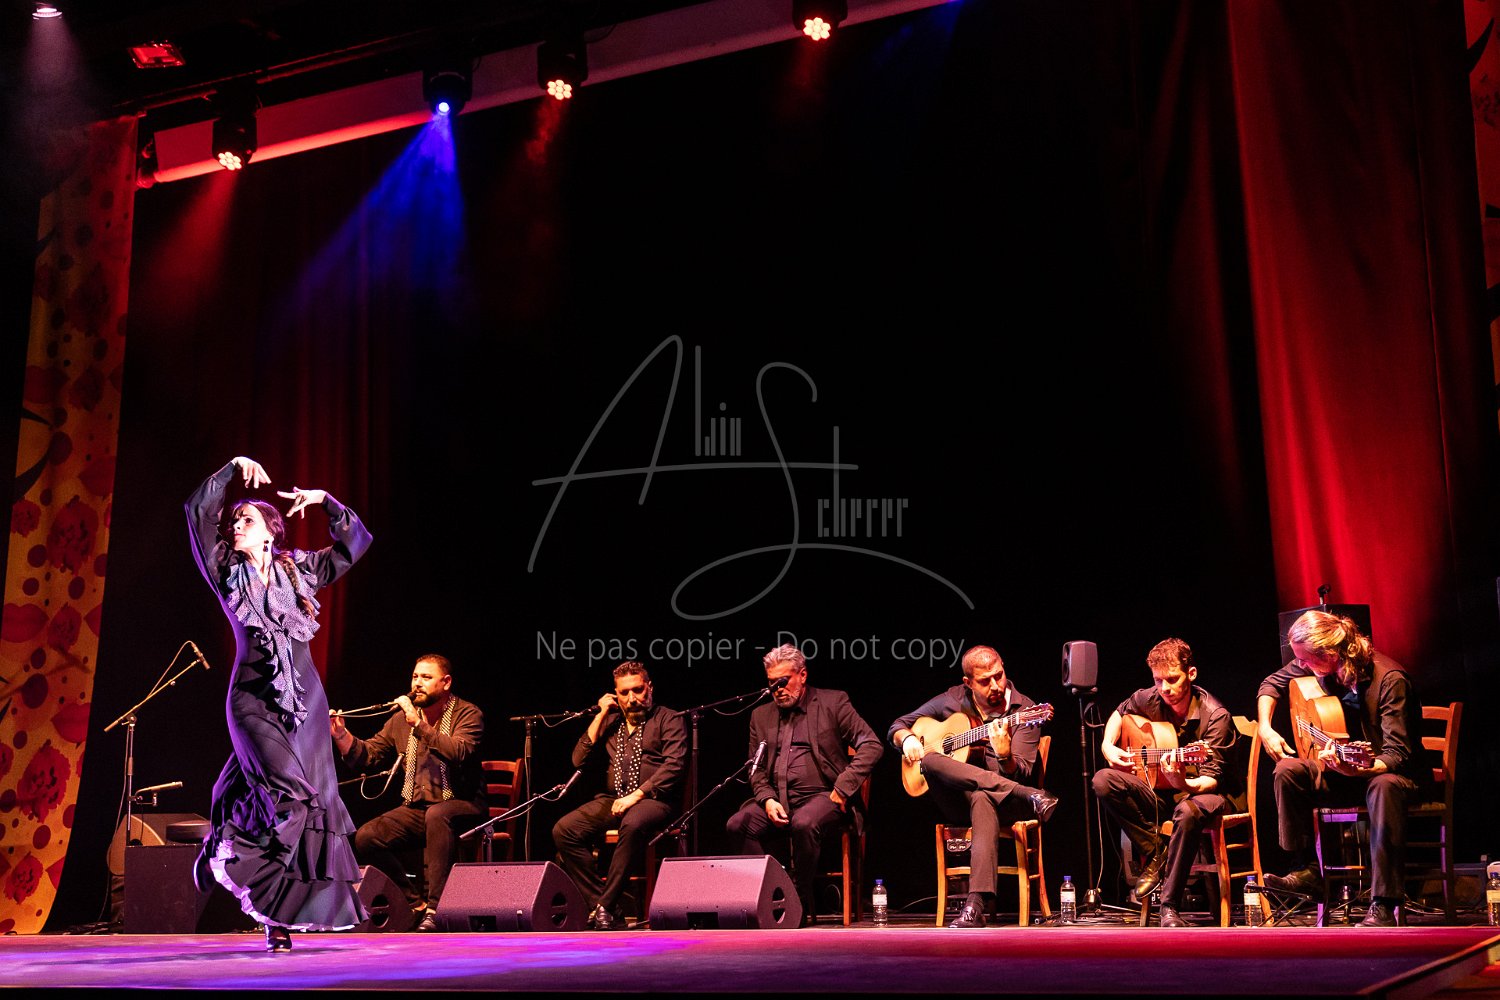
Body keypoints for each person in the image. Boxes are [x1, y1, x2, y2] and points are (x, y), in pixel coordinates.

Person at [185, 456, 372, 952]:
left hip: (307, 705)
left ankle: (276, 918)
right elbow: (198, 514)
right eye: (234, 521)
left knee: (307, 803)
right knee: (289, 797)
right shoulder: (226, 570)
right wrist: (230, 470)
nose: (235, 525)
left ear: (271, 531)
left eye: (246, 520)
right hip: (252, 700)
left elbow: (354, 544)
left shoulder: (302, 571)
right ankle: (232, 861)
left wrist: (326, 501)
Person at [1257, 610, 1424, 927]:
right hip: (1347, 775)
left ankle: (1384, 903)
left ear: (1330, 653)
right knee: (1288, 770)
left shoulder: (1390, 680)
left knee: (1383, 785)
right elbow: (1271, 684)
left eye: (1306, 660)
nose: (1301, 666)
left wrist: (1358, 770)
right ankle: (1307, 870)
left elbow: (1398, 754)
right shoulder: (1318, 663)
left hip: (1397, 778)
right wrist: (1266, 727)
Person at [887, 644, 1058, 928]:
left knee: (983, 797)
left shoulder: (1025, 710)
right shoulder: (953, 699)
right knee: (930, 760)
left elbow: (1023, 772)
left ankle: (975, 905)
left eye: (999, 676)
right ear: (968, 683)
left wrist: (1005, 757)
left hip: (1008, 803)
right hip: (959, 801)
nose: (996, 686)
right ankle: (1033, 796)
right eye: (985, 681)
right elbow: (898, 725)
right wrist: (907, 739)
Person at [724, 643, 883, 925]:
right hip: (778, 799)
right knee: (738, 824)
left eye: (783, 681)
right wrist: (767, 799)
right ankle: (768, 896)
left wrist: (843, 788)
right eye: (772, 683)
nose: (777, 689)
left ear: (803, 675)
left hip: (825, 797)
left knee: (804, 822)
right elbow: (755, 769)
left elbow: (871, 745)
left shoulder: (833, 702)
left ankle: (797, 901)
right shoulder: (760, 716)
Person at [331, 653, 485, 932]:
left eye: (426, 677)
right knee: (367, 837)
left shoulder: (468, 713)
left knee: (438, 815)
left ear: (446, 682)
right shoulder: (400, 720)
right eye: (415, 676)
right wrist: (342, 737)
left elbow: (459, 752)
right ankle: (416, 904)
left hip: (463, 806)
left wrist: (418, 724)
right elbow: (371, 756)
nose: (418, 683)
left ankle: (437, 910)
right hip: (418, 810)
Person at [1091, 638, 1237, 927]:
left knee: (1187, 811)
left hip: (1210, 796)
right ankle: (1158, 849)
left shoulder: (1215, 717)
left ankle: (1169, 906)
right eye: (1158, 681)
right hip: (1163, 791)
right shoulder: (1152, 698)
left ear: (1191, 674)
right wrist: (1107, 745)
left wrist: (1183, 782)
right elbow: (1120, 712)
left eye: (1172, 679)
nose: (1165, 688)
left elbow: (1212, 780)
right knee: (1103, 780)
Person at [552, 661, 687, 930]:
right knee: (564, 830)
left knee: (633, 822)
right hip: (614, 799)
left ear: (649, 688)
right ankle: (604, 905)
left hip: (654, 800)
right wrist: (601, 714)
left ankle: (605, 905)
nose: (632, 698)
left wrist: (636, 795)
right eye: (624, 693)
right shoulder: (613, 723)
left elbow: (674, 765)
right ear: (615, 694)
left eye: (638, 690)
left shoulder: (668, 718)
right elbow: (579, 759)